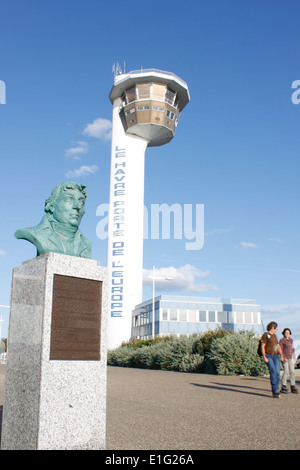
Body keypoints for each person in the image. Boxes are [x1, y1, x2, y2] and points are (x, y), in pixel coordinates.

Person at [15, 182, 92, 258]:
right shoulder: (36, 234)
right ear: (52, 206)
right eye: (69, 199)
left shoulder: (87, 245)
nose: (78, 206)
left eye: (82, 202)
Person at [261, 321, 285, 398]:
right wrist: (264, 357)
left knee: (277, 372)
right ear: (273, 327)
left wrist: (282, 355)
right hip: (269, 356)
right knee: (273, 371)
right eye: (276, 327)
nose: (277, 329)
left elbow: (278, 346)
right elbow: (262, 346)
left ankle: (276, 388)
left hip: (276, 356)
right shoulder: (265, 335)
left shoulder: (275, 336)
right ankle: (275, 390)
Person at [279, 328, 298, 394]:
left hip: (290, 358)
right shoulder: (282, 340)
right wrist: (283, 357)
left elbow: (292, 350)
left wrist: (294, 358)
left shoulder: (291, 340)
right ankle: (284, 385)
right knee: (286, 371)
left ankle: (293, 385)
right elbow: (280, 350)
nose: (287, 334)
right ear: (283, 333)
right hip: (285, 358)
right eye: (286, 332)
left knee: (292, 372)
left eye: (288, 333)